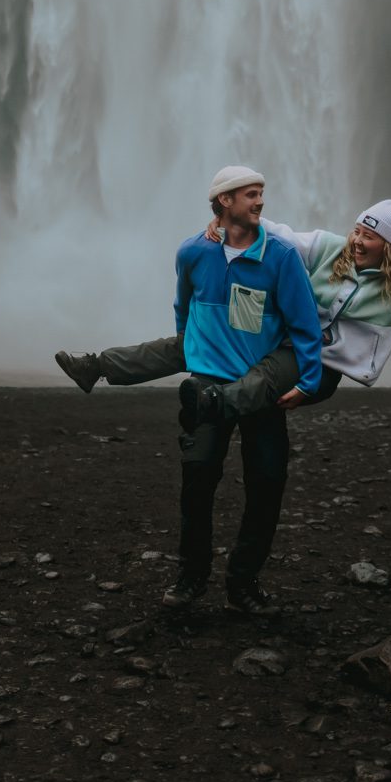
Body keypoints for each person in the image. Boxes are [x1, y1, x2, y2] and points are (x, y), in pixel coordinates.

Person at [54, 198, 391, 422]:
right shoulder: (330, 249)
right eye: (358, 229)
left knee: (272, 372)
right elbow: (285, 234)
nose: (358, 239)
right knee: (190, 342)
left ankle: (211, 405)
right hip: (283, 338)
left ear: (388, 246)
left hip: (322, 367)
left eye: (369, 236)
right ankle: (96, 367)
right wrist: (231, 216)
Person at [147, 165, 323, 614]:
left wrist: (309, 382)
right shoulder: (192, 252)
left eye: (262, 193)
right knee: (197, 479)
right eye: (251, 194)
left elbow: (305, 327)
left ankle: (243, 584)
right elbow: (182, 307)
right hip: (207, 383)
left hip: (262, 388)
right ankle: (191, 578)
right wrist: (193, 351)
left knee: (267, 484)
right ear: (224, 202)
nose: (260, 201)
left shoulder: (281, 256)